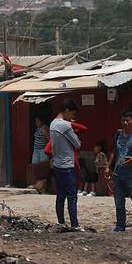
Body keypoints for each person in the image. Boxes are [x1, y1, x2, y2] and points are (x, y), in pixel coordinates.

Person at [50, 98, 82, 230]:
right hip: (67, 165)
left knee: (60, 196)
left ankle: (61, 223)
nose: (73, 117)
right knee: (72, 196)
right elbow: (78, 144)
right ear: (67, 110)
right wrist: (71, 126)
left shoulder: (53, 124)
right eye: (72, 114)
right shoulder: (65, 125)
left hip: (57, 164)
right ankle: (74, 224)